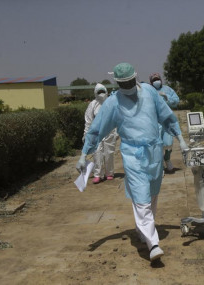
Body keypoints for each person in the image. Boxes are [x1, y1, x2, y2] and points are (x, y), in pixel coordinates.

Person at [76, 63, 188, 262]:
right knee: (141, 197)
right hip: (132, 154)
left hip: (154, 152)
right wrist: (84, 154)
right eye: (123, 83)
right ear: (117, 83)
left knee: (152, 194)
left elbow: (167, 116)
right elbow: (96, 128)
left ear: (135, 77)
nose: (127, 85)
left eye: (129, 81)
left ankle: (143, 229)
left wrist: (181, 139)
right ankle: (153, 243)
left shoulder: (150, 93)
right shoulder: (113, 102)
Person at [83, 83, 118, 184]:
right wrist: (86, 134)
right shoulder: (93, 104)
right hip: (96, 133)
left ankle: (109, 173)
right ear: (95, 93)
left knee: (109, 153)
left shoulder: (111, 103)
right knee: (97, 153)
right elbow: (88, 121)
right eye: (99, 92)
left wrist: (117, 132)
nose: (101, 94)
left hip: (109, 132)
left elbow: (116, 118)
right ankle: (98, 174)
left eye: (103, 91)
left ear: (106, 92)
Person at [149, 72, 180, 173]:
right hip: (154, 121)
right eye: (154, 80)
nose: (156, 81)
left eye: (157, 79)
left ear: (161, 80)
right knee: (156, 144)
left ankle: (167, 159)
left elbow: (176, 100)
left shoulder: (167, 89)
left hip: (167, 120)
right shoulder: (148, 91)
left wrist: (167, 97)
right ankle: (159, 166)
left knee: (168, 143)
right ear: (151, 82)